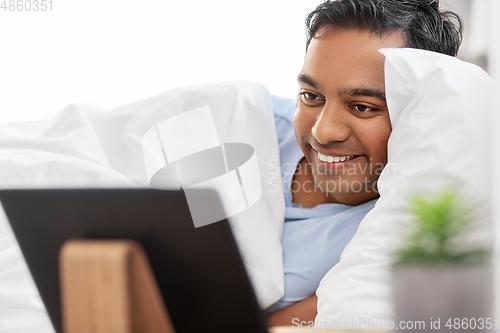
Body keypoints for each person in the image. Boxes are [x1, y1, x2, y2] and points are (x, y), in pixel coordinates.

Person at [266, 0, 462, 326]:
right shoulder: (257, 128)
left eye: (362, 107)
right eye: (311, 96)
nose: (323, 131)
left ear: (421, 114)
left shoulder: (402, 237)